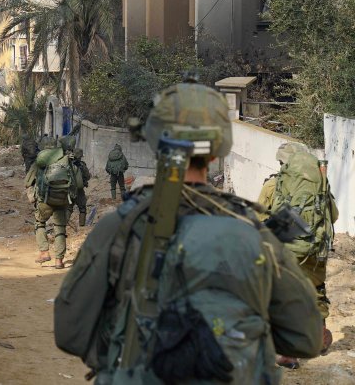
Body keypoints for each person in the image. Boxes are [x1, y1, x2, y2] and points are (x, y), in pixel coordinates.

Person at [54, 83, 323, 384]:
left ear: (156, 145)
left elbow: (70, 331)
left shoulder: (118, 227)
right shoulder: (252, 232)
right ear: (216, 151)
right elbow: (305, 338)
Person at [259, 147, 338, 369]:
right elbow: (334, 215)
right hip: (315, 250)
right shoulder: (320, 183)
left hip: (288, 249)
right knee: (317, 291)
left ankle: (287, 354)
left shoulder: (273, 185)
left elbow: (258, 217)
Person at [26, 136, 77, 270]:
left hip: (45, 200)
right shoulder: (65, 158)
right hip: (62, 199)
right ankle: (59, 261)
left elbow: (27, 181)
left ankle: (44, 252)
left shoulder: (40, 160)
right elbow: (74, 180)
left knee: (39, 223)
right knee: (60, 228)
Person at [67, 148, 90, 226]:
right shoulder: (82, 165)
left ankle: (63, 225)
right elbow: (87, 176)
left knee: (69, 208)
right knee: (82, 208)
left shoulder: (68, 164)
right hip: (79, 190)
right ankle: (82, 226)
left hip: (69, 189)